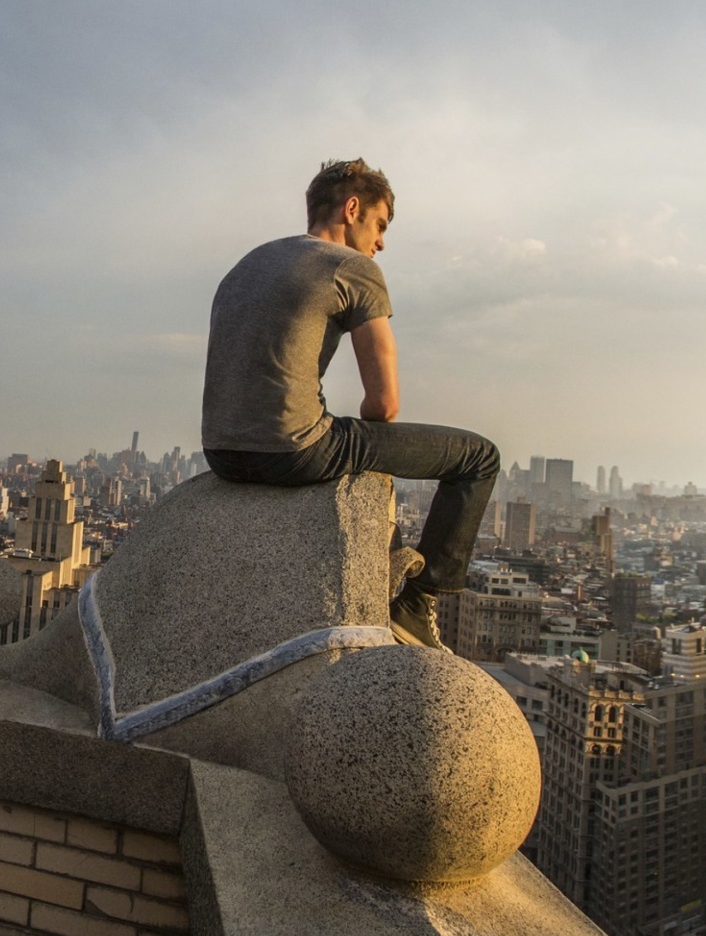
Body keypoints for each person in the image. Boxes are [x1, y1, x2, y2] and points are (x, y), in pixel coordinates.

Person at [201, 157, 499, 648]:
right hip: (293, 450)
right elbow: (383, 406)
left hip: (221, 452)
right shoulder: (352, 267)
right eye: (380, 225)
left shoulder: (248, 263)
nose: (381, 241)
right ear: (352, 208)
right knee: (479, 458)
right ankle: (417, 603)